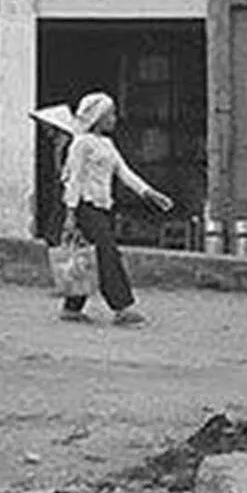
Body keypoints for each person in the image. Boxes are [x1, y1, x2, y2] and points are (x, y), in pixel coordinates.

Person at [59, 91, 174, 326]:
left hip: (102, 207)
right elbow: (75, 180)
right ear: (98, 117)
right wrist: (70, 214)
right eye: (110, 114)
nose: (115, 117)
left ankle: (72, 308)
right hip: (85, 206)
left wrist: (149, 193)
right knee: (107, 253)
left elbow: (124, 172)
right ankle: (122, 307)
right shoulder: (81, 144)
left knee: (85, 256)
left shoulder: (107, 144)